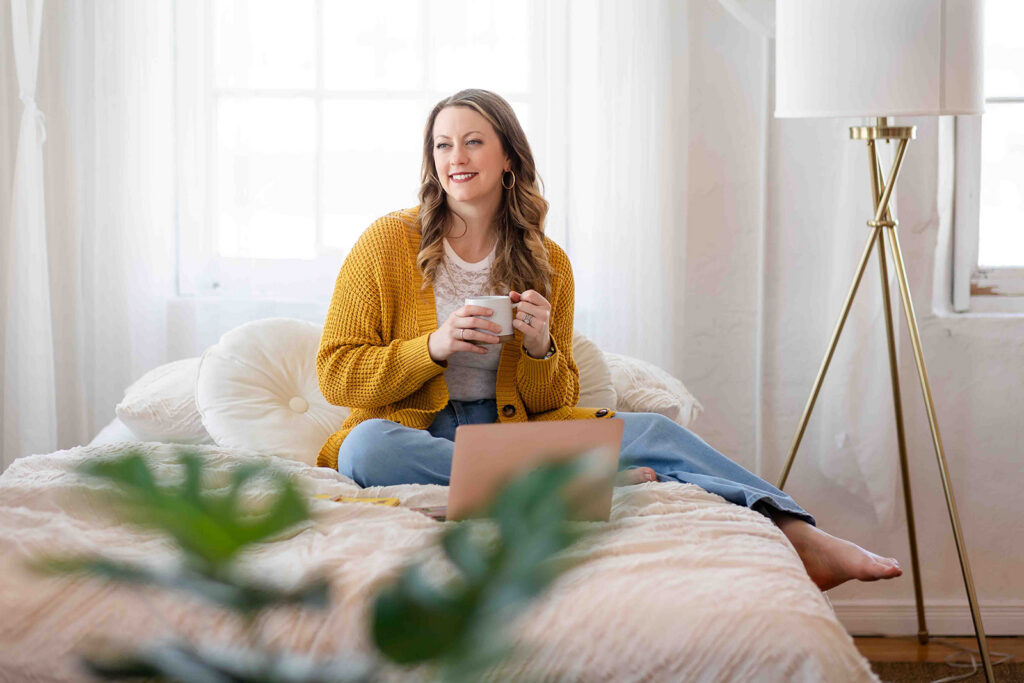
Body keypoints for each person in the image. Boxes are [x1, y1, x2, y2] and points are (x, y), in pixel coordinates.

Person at [316, 89, 902, 592]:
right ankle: (574, 484)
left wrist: (543, 349)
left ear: (508, 159)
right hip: (421, 432)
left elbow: (551, 400)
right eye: (442, 145)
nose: (455, 157)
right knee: (365, 448)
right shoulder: (387, 243)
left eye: (472, 141)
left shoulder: (548, 264)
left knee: (655, 432)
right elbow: (336, 372)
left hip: (511, 431)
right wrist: (433, 348)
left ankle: (801, 533)